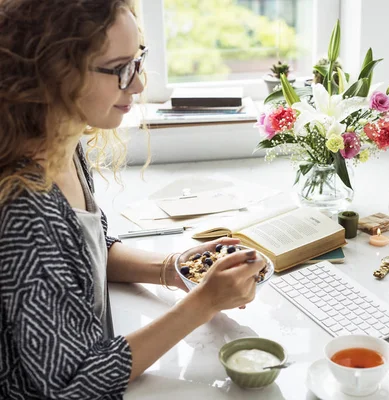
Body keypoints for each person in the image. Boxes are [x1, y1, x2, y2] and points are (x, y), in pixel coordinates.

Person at [0, 1, 265, 398]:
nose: (138, 84)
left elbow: (82, 257)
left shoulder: (62, 144)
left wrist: (173, 268)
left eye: (139, 61)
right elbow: (72, 384)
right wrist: (204, 303)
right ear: (56, 73)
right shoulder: (24, 209)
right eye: (120, 68)